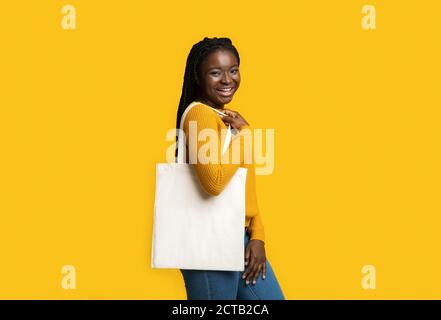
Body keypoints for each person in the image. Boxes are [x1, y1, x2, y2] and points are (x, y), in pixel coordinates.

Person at [175, 37, 285, 300]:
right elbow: (214, 182)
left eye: (233, 70)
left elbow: (245, 185)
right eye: (215, 72)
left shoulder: (225, 119)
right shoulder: (200, 115)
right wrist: (246, 134)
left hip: (241, 239)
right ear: (199, 78)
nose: (227, 80)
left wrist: (257, 235)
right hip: (208, 240)